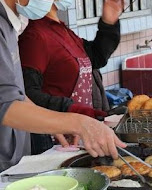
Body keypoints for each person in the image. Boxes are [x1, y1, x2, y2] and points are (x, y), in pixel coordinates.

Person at [0, 0, 126, 172]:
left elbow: (19, 94)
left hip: (16, 157)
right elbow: (6, 104)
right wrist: (75, 120)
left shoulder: (15, 27)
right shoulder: (33, 34)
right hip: (17, 153)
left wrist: (62, 122)